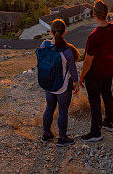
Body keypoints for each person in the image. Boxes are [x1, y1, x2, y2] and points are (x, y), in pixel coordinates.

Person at [79, 0, 113, 142]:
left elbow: (87, 60)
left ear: (94, 15)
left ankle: (96, 132)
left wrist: (81, 77)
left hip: (94, 74)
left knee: (95, 101)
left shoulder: (93, 36)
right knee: (107, 94)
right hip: (108, 69)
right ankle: (109, 122)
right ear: (106, 13)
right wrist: (112, 59)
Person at [41, 18, 80, 146]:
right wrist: (76, 83)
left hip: (48, 84)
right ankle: (62, 138)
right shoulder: (67, 50)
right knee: (63, 110)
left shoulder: (44, 45)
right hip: (62, 86)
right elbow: (72, 70)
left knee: (49, 107)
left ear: (51, 31)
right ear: (64, 32)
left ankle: (46, 134)